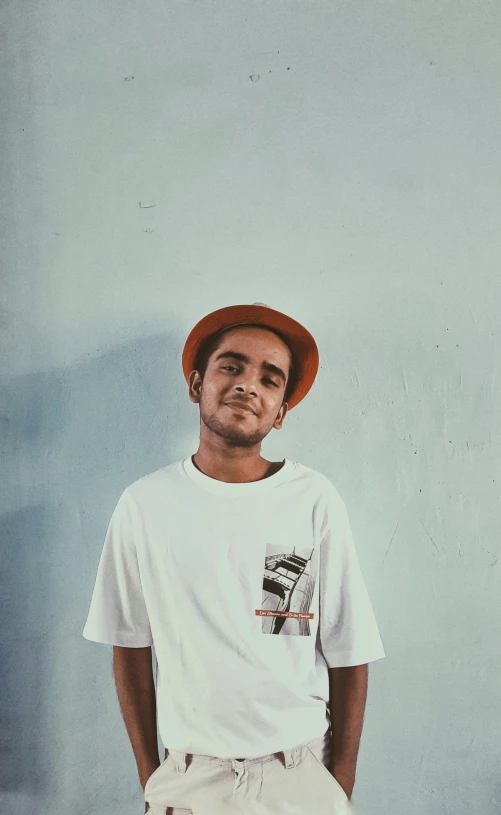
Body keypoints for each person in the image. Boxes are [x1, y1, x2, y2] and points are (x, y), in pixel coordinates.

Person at [82, 302, 386, 815]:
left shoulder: (312, 498)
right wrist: (153, 777)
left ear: (281, 411)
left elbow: (348, 649)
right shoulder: (144, 504)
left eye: (271, 379)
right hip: (190, 778)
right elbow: (129, 646)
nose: (249, 385)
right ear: (197, 384)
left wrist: (339, 785)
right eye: (232, 366)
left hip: (299, 772)